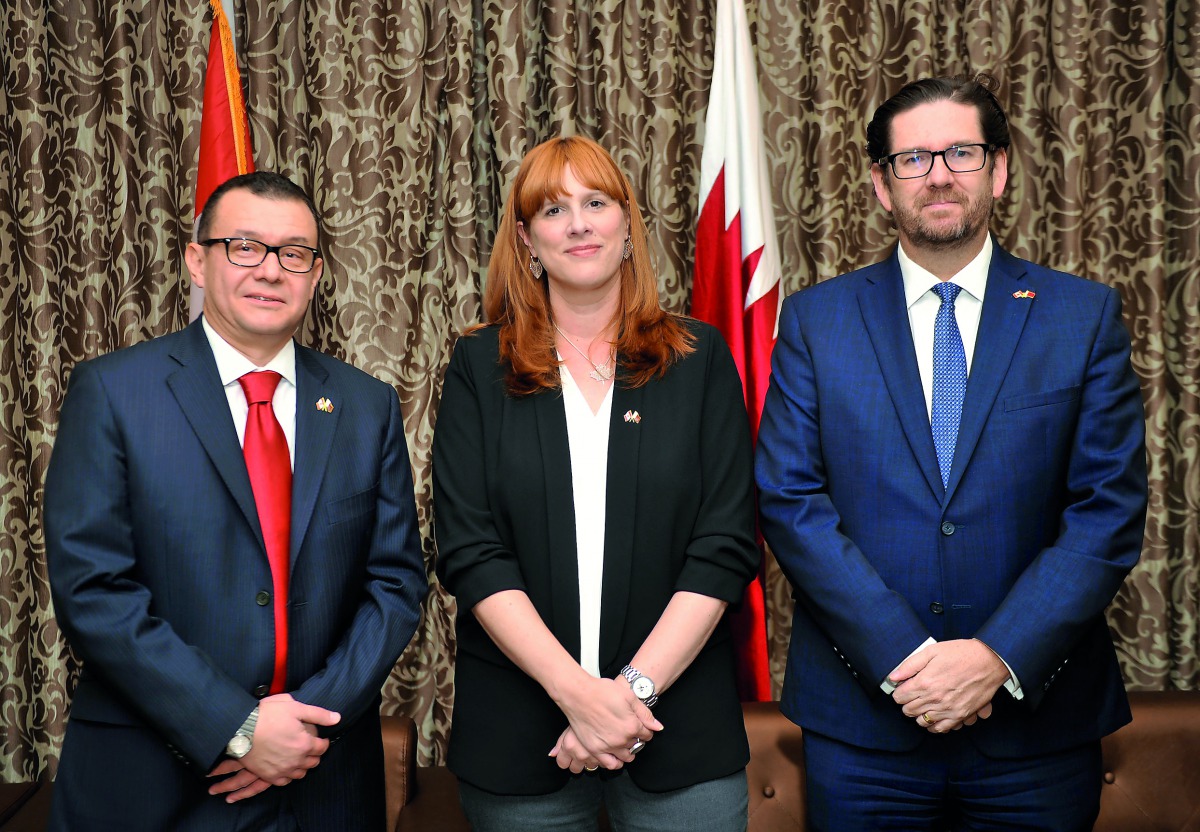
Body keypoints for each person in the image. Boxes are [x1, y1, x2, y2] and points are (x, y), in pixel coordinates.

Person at [756, 74, 1148, 830]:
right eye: (913, 158)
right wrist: (908, 660)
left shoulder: (1082, 316)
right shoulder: (816, 321)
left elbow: (1108, 510)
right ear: (880, 184)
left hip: (1036, 731)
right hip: (864, 734)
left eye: (961, 153)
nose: (938, 173)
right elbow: (790, 502)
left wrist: (994, 658)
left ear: (998, 171)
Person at [44, 171, 427, 831]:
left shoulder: (367, 406)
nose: (271, 270)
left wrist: (301, 729)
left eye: (294, 253)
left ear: (314, 273)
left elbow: (393, 585)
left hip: (322, 784)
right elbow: (93, 590)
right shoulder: (113, 392)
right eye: (245, 246)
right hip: (153, 782)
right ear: (198, 259)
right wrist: (238, 725)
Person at [432, 135, 759, 831]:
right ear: (526, 240)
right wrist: (576, 694)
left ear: (626, 226)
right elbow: (471, 550)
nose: (578, 223)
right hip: (521, 740)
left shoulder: (698, 361)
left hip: (680, 736)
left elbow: (724, 545)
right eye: (552, 210)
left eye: (595, 202)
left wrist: (626, 699)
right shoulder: (476, 368)